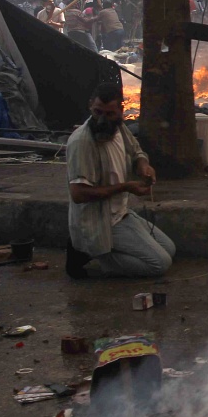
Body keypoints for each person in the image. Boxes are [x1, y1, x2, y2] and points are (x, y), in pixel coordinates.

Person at [65, 82, 174, 279]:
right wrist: (126, 187)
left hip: (121, 213)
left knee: (170, 249)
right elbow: (78, 194)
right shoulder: (82, 142)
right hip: (101, 220)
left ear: (120, 111)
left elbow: (137, 152)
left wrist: (143, 166)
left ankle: (103, 249)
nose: (102, 120)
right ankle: (92, 253)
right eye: (98, 112)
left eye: (109, 114)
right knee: (160, 264)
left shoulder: (120, 128)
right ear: (90, 105)